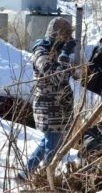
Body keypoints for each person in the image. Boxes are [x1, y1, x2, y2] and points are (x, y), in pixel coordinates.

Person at [22, 17, 77, 178]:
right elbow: (55, 77)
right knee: (52, 146)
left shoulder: (55, 51)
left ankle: (25, 173)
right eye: (66, 36)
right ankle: (47, 179)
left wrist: (64, 54)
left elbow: (65, 76)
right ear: (56, 35)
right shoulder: (41, 52)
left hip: (58, 107)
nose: (69, 40)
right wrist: (65, 55)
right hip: (49, 108)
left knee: (49, 142)